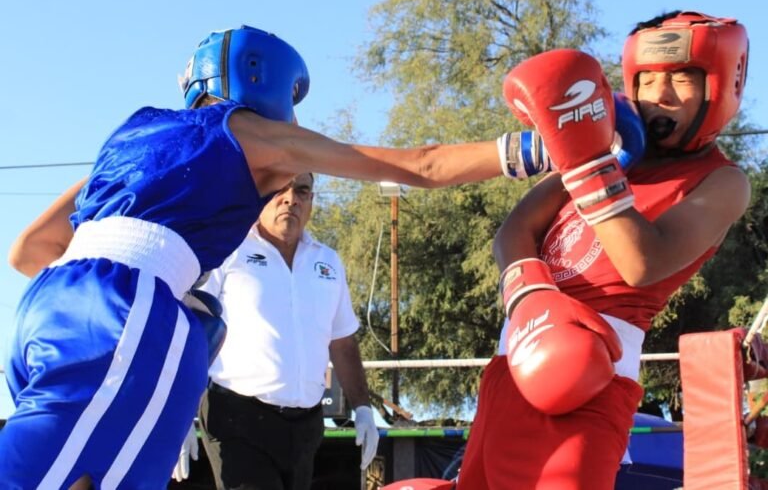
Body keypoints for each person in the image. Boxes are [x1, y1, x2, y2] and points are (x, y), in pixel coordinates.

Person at [2, 25, 514, 490]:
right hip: (129, 317)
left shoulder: (133, 134)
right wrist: (528, 150)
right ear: (264, 79)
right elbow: (421, 165)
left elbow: (29, 250)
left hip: (46, 309)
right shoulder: (252, 135)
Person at [455, 11, 751, 489]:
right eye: (647, 79)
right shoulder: (607, 150)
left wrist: (587, 161)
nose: (660, 93)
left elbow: (641, 263)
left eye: (681, 78)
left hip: (590, 379)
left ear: (719, 86)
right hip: (511, 365)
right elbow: (514, 231)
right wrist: (530, 297)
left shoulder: (722, 182)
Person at [172, 171, 378, 489]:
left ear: (311, 201)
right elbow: (190, 329)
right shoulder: (227, 252)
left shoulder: (328, 262)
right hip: (237, 418)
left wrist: (363, 408)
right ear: (260, 195)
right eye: (280, 189)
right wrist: (177, 413)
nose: (290, 199)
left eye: (302, 191)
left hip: (306, 426)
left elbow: (343, 341)